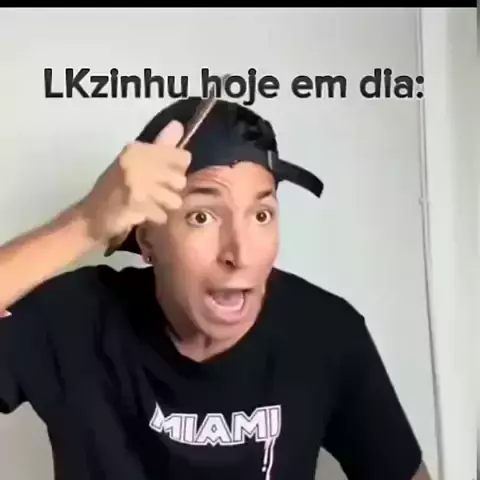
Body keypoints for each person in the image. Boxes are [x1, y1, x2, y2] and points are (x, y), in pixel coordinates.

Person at [0, 98, 431, 480]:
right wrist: (86, 222)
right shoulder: (75, 319)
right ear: (146, 238)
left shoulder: (326, 334)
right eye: (202, 217)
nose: (239, 254)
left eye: (261, 215)